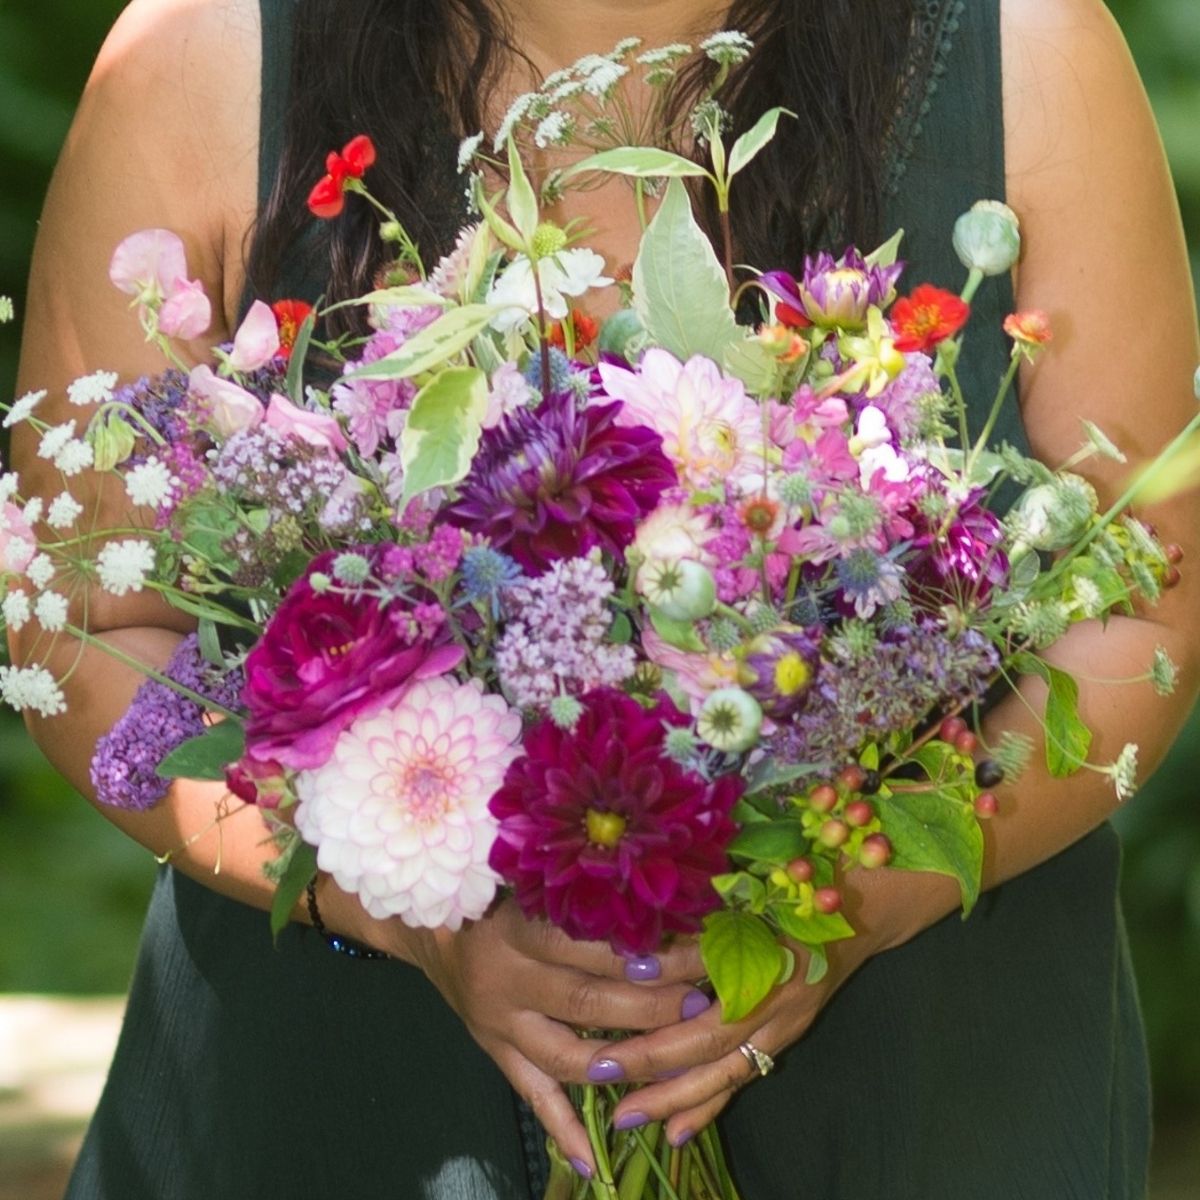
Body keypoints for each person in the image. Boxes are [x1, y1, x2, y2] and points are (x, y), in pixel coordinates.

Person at [11, 0, 1199, 1196]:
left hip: (923, 1111)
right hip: (333, 1106)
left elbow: (1151, 601)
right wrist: (392, 903)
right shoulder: (200, 58)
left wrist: (857, 896)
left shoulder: (1026, 49)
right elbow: (76, 625)